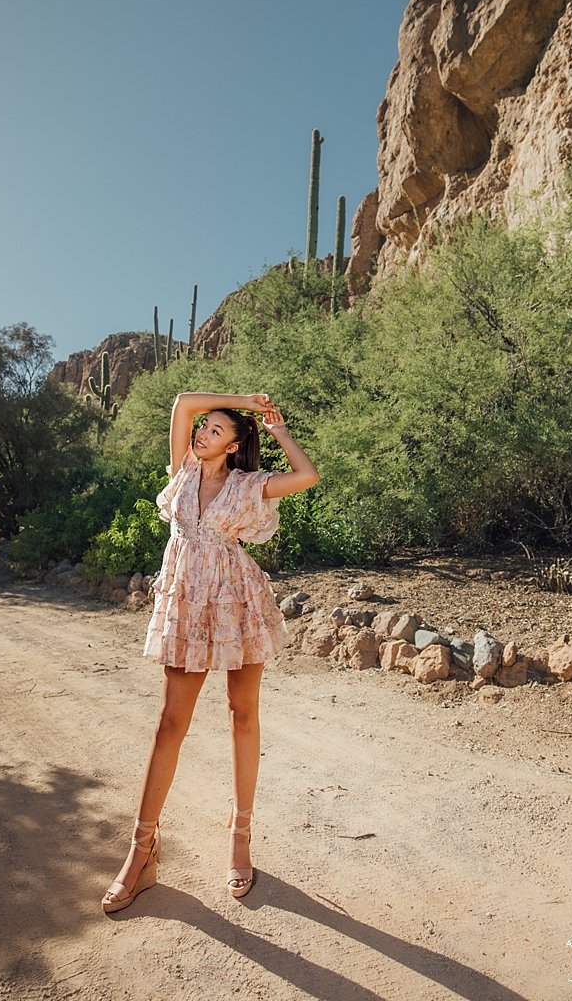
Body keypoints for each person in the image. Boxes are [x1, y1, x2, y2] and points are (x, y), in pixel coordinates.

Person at [101, 391, 320, 912]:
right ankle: (141, 849)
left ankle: (240, 834)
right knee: (170, 722)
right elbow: (179, 403)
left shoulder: (248, 486)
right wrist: (241, 400)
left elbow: (307, 476)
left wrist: (276, 428)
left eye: (216, 431)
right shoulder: (182, 469)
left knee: (242, 714)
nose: (202, 434)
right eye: (204, 429)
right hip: (186, 604)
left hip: (236, 601)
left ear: (236, 444)